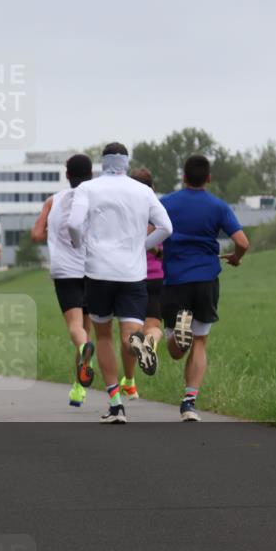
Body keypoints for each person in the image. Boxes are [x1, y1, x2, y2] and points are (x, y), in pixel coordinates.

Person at [67, 142, 172, 424]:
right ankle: (140, 344)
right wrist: (142, 246)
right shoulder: (143, 191)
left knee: (103, 337)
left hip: (98, 272)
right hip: (132, 274)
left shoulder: (88, 188)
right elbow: (167, 227)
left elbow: (74, 224)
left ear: (103, 162)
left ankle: (115, 404)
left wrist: (79, 244)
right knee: (128, 336)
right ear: (126, 162)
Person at [160, 155, 250, 422]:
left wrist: (157, 250)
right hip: (206, 280)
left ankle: (180, 332)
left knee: (175, 352)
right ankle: (189, 403)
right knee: (200, 341)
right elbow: (243, 242)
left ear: (183, 176)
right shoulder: (218, 206)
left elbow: (148, 233)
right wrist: (236, 258)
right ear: (208, 178)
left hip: (175, 279)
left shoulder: (166, 203)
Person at [30, 153, 96, 408]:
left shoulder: (53, 200)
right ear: (91, 175)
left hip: (65, 272)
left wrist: (52, 229)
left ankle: (83, 355)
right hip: (93, 269)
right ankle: (78, 389)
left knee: (76, 328)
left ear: (67, 175)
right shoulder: (97, 199)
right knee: (86, 329)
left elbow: (36, 235)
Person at [125, 168, 166, 398]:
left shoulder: (126, 210)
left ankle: (130, 383)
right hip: (157, 276)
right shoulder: (158, 209)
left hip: (132, 276)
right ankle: (150, 342)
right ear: (153, 188)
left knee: (130, 333)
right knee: (153, 327)